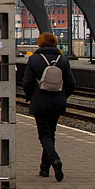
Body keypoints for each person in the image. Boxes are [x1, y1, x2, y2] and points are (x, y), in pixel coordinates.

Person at [22, 31, 76, 181]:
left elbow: (26, 83)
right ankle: (44, 169)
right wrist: (62, 96)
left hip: (40, 101)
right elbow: (71, 83)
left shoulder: (34, 59)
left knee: (44, 135)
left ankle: (54, 160)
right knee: (51, 133)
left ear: (40, 43)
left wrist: (30, 97)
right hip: (57, 101)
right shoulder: (63, 60)